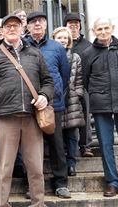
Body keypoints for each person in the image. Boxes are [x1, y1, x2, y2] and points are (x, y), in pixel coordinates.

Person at [0, 15, 54, 207]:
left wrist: (44, 95)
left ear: (22, 29)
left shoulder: (35, 53)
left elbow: (48, 81)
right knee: (4, 168)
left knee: (36, 167)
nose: (12, 29)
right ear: (2, 31)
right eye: (8, 26)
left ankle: (38, 203)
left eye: (15, 26)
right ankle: (1, 204)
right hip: (6, 118)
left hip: (31, 117)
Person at [82, 17, 118, 198]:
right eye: (99, 29)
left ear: (112, 28)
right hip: (101, 105)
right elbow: (85, 80)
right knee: (106, 145)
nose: (103, 32)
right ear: (93, 31)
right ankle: (112, 182)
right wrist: (97, 94)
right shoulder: (88, 53)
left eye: (106, 28)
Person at [24, 11, 71, 198]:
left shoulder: (56, 48)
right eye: (33, 22)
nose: (37, 25)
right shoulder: (22, 46)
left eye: (41, 22)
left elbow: (64, 74)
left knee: (57, 144)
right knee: (31, 148)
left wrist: (55, 93)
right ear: (27, 26)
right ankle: (34, 185)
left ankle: (61, 183)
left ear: (46, 25)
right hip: (28, 105)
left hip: (53, 104)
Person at [52, 27, 85, 177]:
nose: (63, 40)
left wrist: (77, 94)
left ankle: (71, 163)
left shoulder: (75, 57)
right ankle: (61, 164)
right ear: (54, 39)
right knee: (58, 135)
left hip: (71, 99)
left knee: (72, 134)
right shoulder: (50, 55)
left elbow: (79, 79)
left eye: (65, 38)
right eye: (60, 38)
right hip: (56, 99)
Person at [64, 12, 94, 157]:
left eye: (76, 23)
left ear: (80, 26)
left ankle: (86, 146)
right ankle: (68, 147)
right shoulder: (61, 43)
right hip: (66, 87)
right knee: (68, 118)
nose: (74, 26)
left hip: (84, 86)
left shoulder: (88, 45)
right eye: (70, 23)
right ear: (66, 26)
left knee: (85, 117)